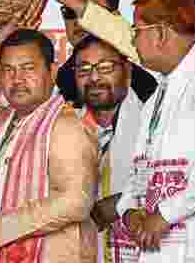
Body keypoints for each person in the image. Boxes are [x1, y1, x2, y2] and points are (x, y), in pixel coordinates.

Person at [48, 0, 195, 263]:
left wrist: (165, 213)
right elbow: (142, 175)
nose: (132, 43)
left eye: (136, 32)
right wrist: (130, 211)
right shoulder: (158, 97)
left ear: (161, 33)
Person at [0, 24, 98, 263]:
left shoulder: (65, 126)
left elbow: (77, 200)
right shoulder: (4, 122)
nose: (17, 79)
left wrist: (4, 228)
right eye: (8, 70)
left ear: (52, 72)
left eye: (28, 68)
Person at [71, 35, 144, 263]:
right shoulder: (62, 128)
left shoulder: (154, 124)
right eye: (83, 70)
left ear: (128, 71)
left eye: (105, 67)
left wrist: (118, 205)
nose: (94, 77)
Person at [55, 0, 156, 105]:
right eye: (70, 11)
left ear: (114, 18)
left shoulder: (151, 70)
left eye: (92, 10)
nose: (80, 22)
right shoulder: (53, 82)